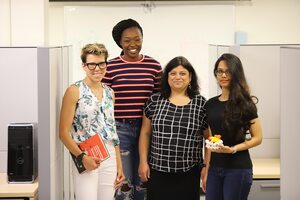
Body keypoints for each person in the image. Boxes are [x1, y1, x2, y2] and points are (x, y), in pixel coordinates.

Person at [102, 19, 162, 200]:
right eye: (127, 40)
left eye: (137, 39)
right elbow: (104, 103)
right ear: (120, 42)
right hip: (121, 130)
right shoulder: (110, 67)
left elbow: (159, 100)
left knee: (144, 179)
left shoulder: (154, 66)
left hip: (147, 129)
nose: (133, 44)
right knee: (124, 182)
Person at [59, 43, 125, 200]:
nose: (97, 68)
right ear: (84, 66)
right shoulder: (74, 91)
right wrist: (82, 157)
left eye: (101, 63)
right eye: (92, 64)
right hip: (86, 153)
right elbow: (63, 133)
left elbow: (112, 131)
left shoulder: (110, 92)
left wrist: (119, 164)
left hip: (109, 154)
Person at [138, 56, 209, 200]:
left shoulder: (201, 104)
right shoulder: (154, 101)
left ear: (190, 78)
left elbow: (209, 139)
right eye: (173, 73)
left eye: (182, 73)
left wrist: (207, 167)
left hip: (189, 172)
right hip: (157, 171)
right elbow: (145, 133)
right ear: (167, 77)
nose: (177, 77)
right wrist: (143, 162)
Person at [203, 53, 263, 200]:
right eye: (219, 71)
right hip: (214, 170)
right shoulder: (210, 104)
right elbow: (211, 141)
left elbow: (258, 138)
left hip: (238, 169)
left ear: (236, 73)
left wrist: (232, 149)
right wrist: (206, 170)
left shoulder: (245, 104)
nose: (223, 75)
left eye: (228, 71)